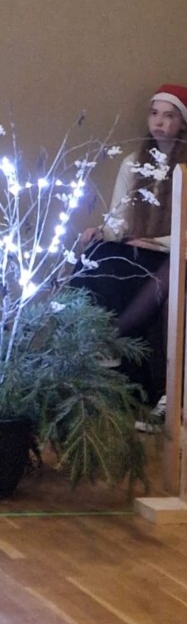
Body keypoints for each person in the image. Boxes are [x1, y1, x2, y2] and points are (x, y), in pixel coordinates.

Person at [73, 84, 187, 412]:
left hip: (172, 253)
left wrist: (157, 242)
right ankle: (92, 347)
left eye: (169, 116)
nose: (159, 122)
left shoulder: (185, 169)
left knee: (167, 275)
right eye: (155, 114)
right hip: (138, 250)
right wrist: (102, 231)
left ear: (182, 123)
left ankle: (111, 339)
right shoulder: (133, 163)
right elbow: (119, 220)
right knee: (95, 256)